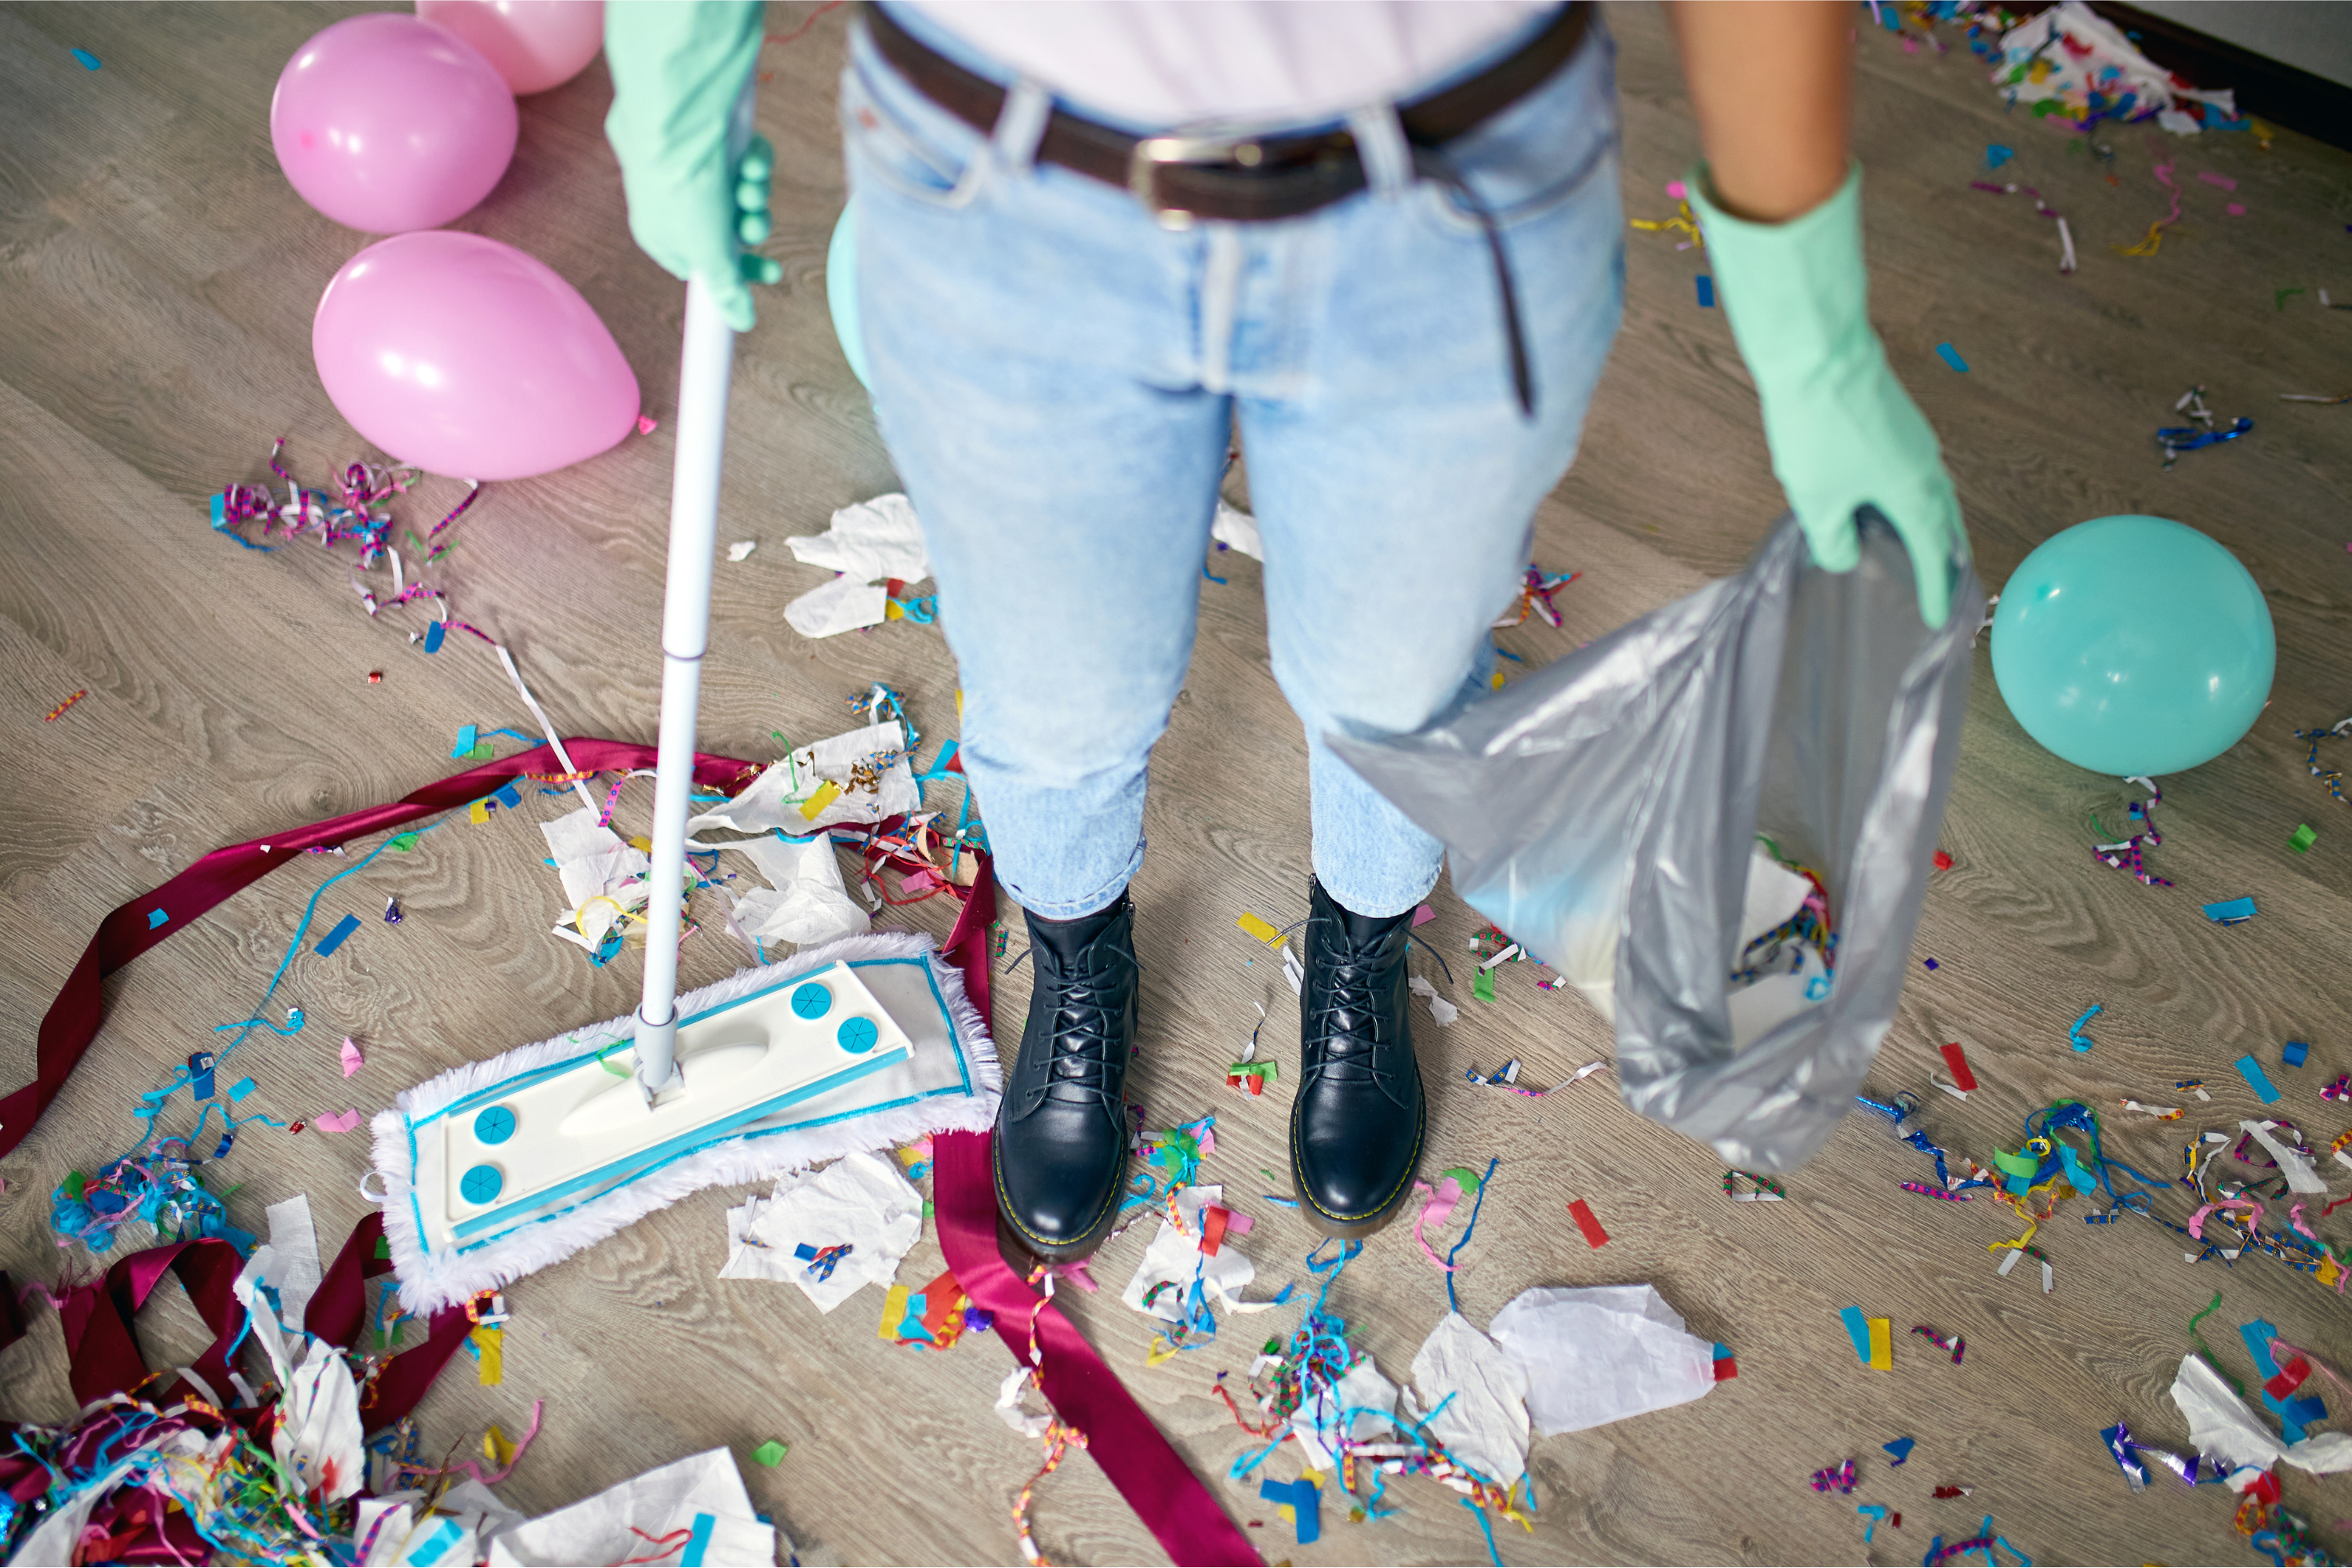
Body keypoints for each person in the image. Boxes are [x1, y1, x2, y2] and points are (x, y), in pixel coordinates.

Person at [604, 0, 1968, 1261]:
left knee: (1395, 692)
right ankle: (1081, 960)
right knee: (1058, 692)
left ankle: (1360, 942)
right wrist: (673, 67)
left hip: (1455, 191)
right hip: (1001, 187)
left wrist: (1811, 328)